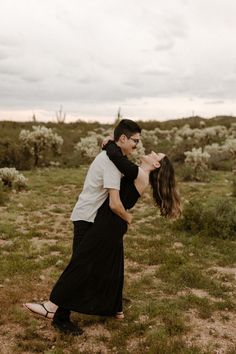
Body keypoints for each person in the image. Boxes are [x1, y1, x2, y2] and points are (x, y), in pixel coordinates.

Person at [24, 148, 180, 336]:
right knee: (110, 264)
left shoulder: (140, 175)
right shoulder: (137, 172)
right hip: (109, 222)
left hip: (109, 223)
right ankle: (115, 308)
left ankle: (52, 306)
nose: (153, 152)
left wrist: (110, 144)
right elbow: (119, 162)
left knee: (82, 262)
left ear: (155, 165)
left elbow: (116, 158)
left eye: (157, 155)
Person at [23, 119, 142, 332]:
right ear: (122, 138)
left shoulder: (112, 156)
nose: (137, 146)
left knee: (84, 265)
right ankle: (57, 315)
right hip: (87, 217)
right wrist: (128, 219)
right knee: (80, 266)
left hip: (87, 215)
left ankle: (99, 307)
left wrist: (108, 144)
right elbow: (115, 203)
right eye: (135, 141)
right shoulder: (111, 163)